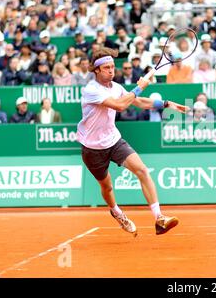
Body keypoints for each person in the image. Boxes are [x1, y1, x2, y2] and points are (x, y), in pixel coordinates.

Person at [77, 47, 188, 236]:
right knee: (107, 186)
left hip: (114, 140)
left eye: (113, 67)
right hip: (92, 148)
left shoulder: (117, 87)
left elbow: (138, 102)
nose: (111, 71)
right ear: (96, 70)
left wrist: (167, 104)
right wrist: (140, 86)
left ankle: (159, 218)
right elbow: (120, 105)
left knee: (143, 170)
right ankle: (117, 212)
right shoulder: (91, 90)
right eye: (106, 68)